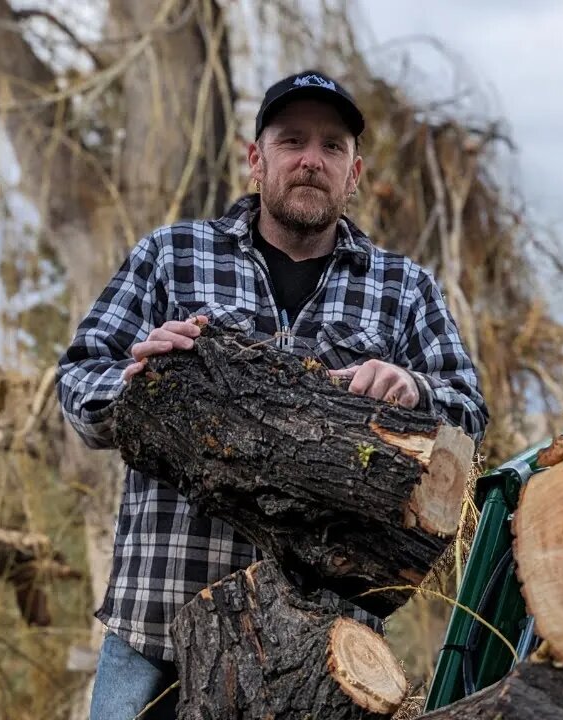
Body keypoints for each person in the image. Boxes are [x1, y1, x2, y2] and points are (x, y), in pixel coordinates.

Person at [56, 69, 489, 719]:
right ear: (256, 159)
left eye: (332, 146)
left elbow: (472, 414)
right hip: (159, 626)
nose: (311, 160)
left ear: (355, 172)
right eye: (292, 141)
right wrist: (137, 384)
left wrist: (414, 387)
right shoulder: (171, 257)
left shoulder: (405, 289)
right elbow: (78, 377)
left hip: (327, 650)